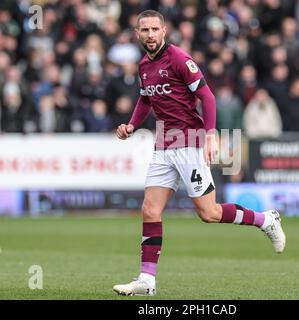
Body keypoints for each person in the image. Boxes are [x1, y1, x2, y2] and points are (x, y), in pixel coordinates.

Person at [113, 10, 286, 297]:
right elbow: (145, 100)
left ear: (164, 31)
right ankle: (146, 280)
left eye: (155, 29)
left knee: (209, 213)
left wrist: (209, 135)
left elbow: (207, 96)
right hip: (164, 145)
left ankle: (266, 220)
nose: (150, 35)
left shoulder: (179, 58)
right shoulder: (144, 66)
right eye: (145, 30)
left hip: (190, 142)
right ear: (137, 34)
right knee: (149, 210)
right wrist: (131, 125)